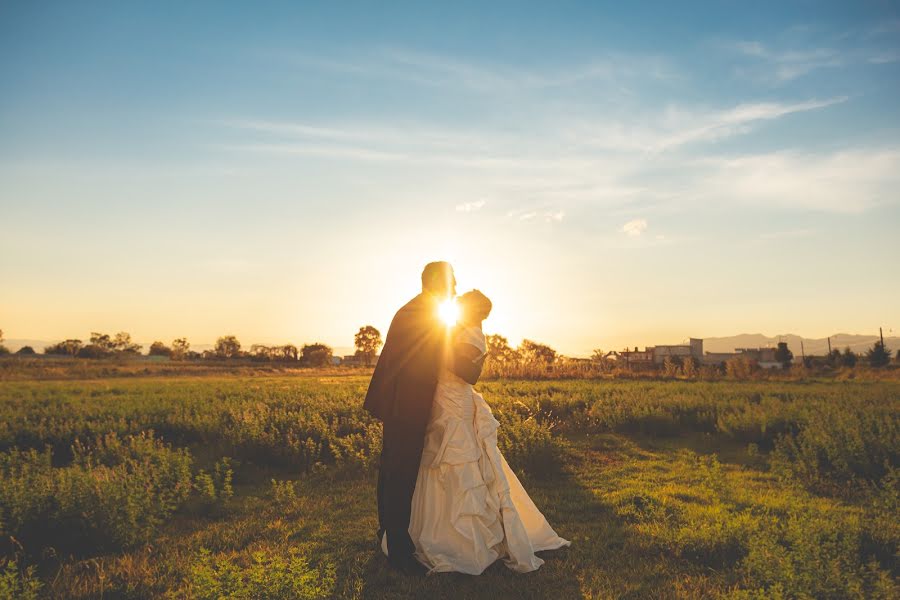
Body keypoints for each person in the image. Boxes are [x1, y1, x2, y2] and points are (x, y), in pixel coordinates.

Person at [384, 289, 571, 574]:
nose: (456, 305)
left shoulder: (473, 334)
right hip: (440, 404)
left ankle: (469, 541)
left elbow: (469, 374)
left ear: (473, 311)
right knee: (435, 466)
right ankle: (430, 532)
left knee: (462, 464)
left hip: (455, 406)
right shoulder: (454, 329)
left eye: (462, 304)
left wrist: (441, 349)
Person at [363, 261, 458, 575]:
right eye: (452, 282)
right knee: (400, 476)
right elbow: (431, 360)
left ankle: (388, 535)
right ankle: (400, 553)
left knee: (391, 471)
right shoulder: (424, 313)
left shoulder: (417, 309)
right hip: (406, 406)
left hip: (399, 404)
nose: (455, 288)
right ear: (437, 283)